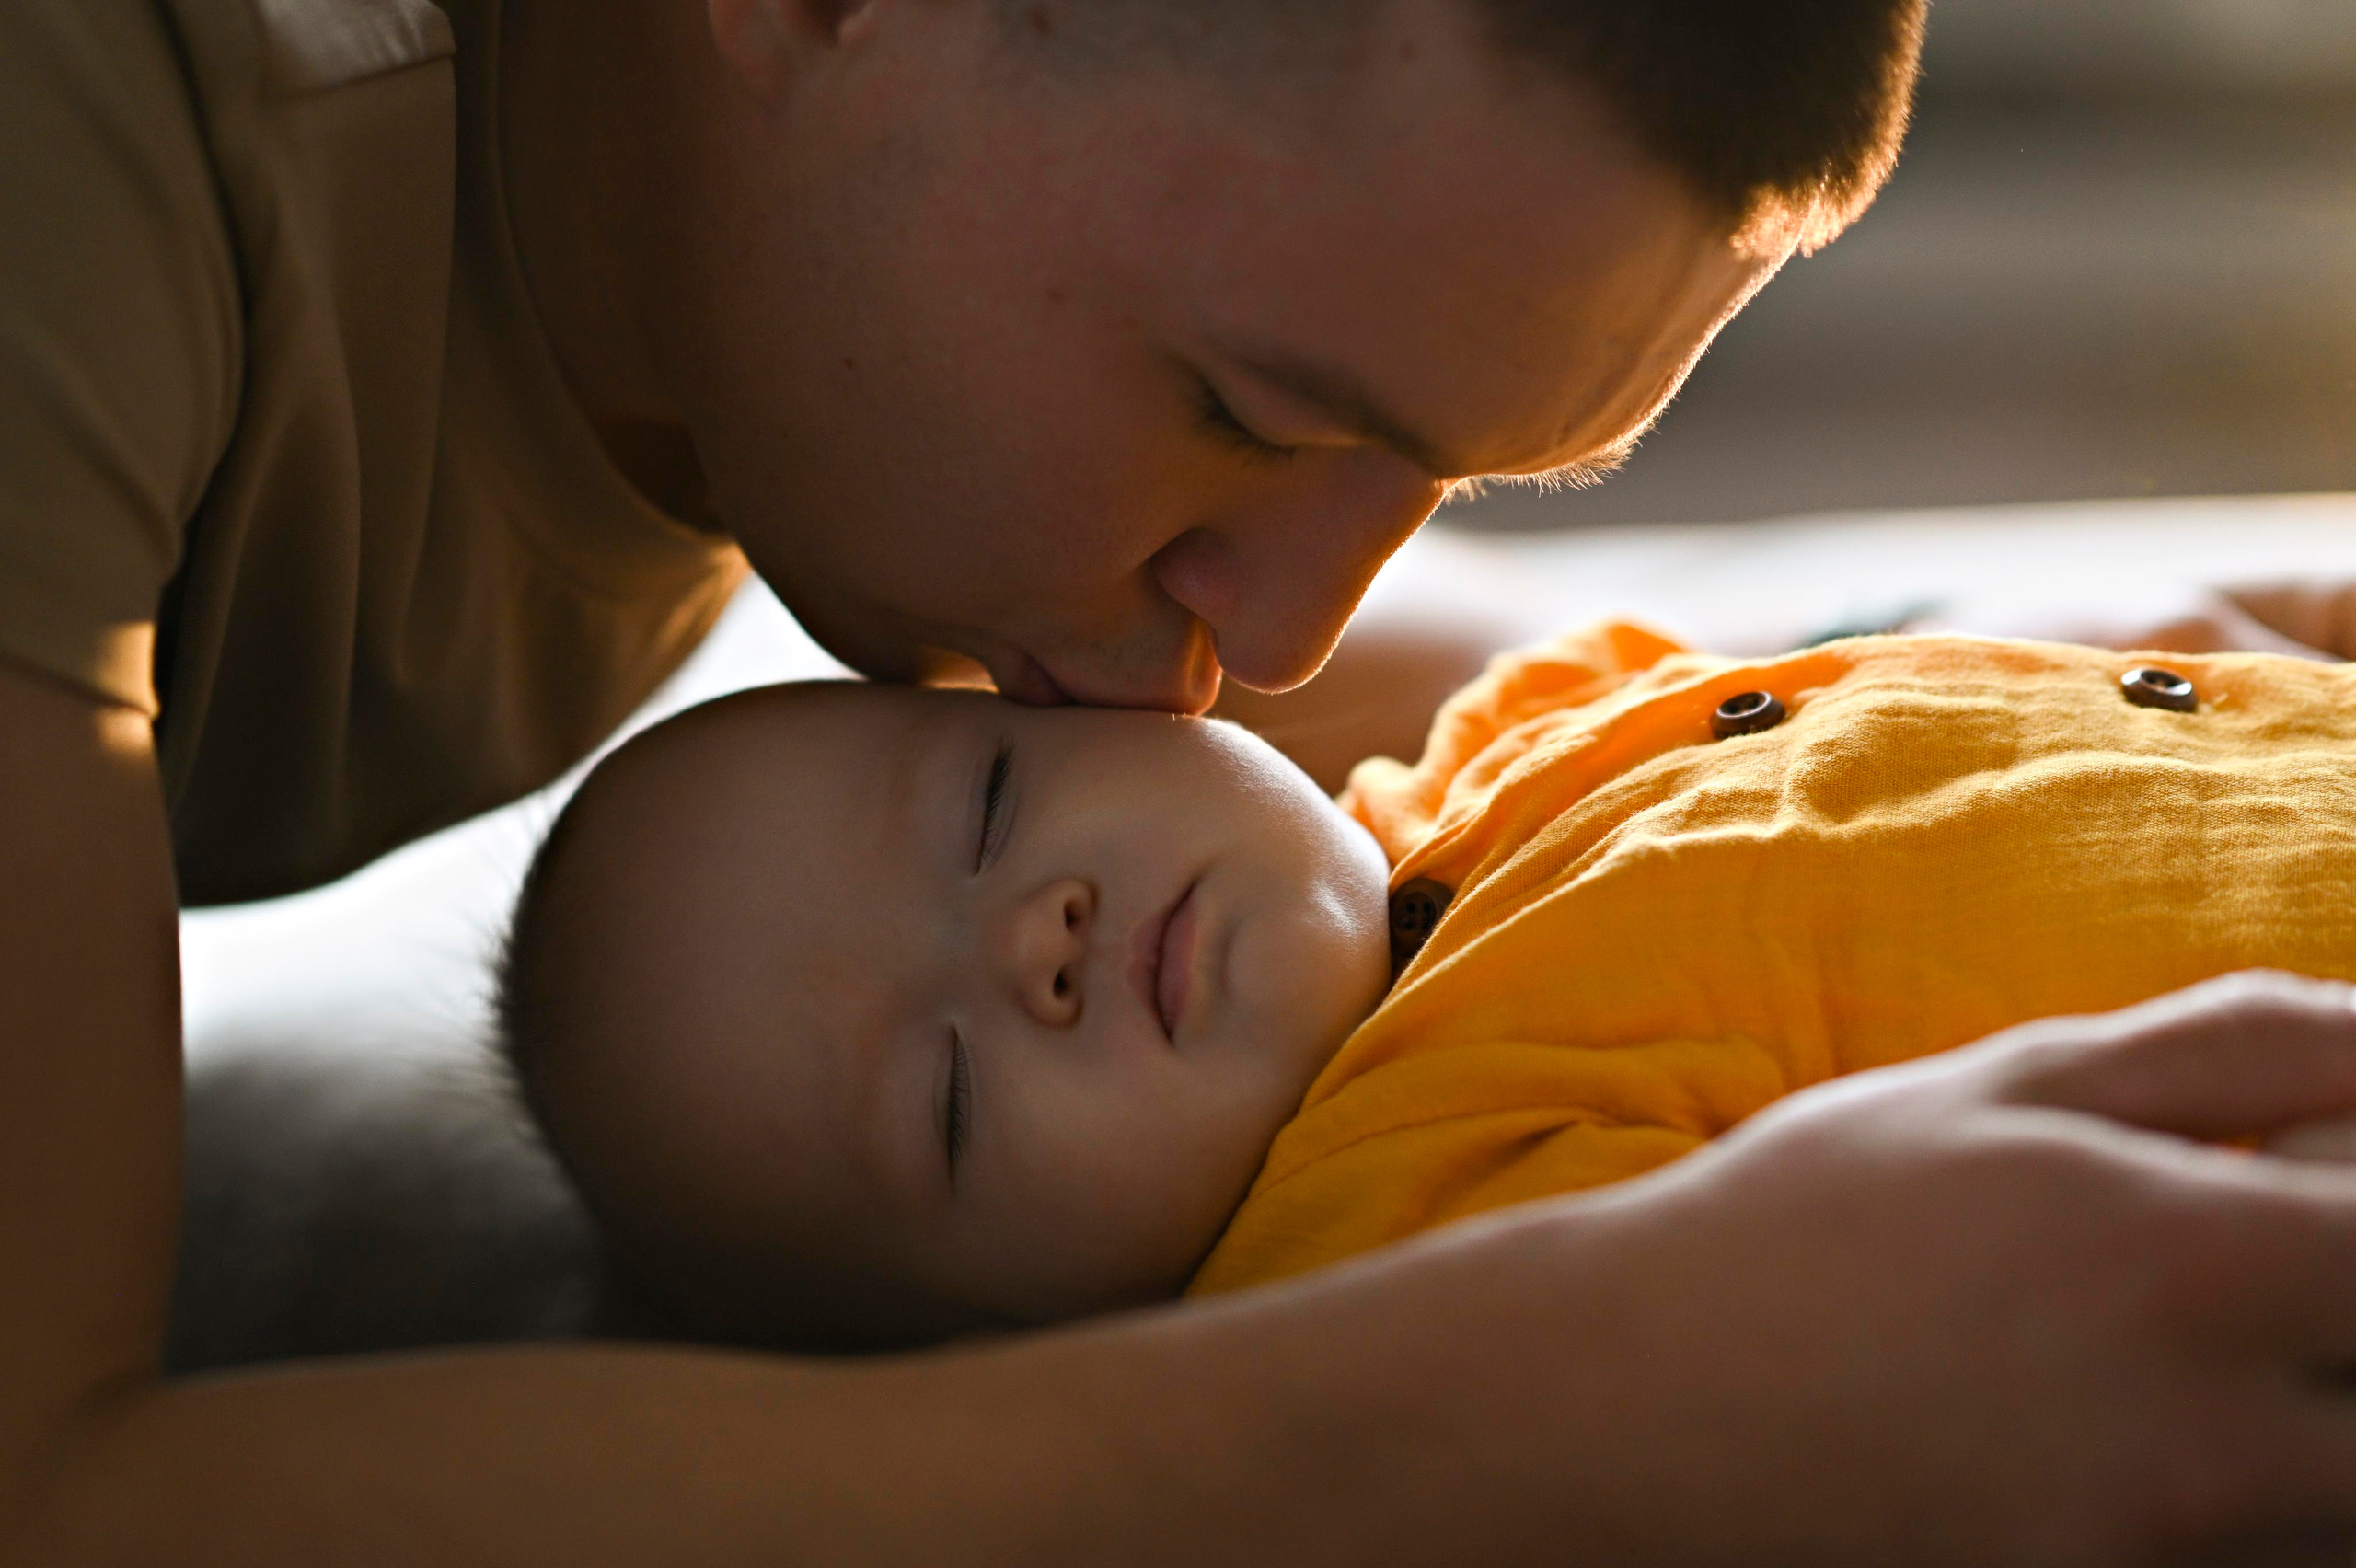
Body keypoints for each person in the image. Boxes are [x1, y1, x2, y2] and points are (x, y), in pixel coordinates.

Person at [14, 0, 2356, 1560]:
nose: (1289, 639)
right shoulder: (80, 177)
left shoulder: (837, 310)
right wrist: (1557, 1395)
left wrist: (2041, 656)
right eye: (1244, 412)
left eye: (1447, 471)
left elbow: (1458, 734)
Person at [491, 621, 2356, 1346]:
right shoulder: (1412, 1249)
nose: (1029, 940)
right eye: (952, 1099)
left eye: (988, 803)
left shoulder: (1514, 735)